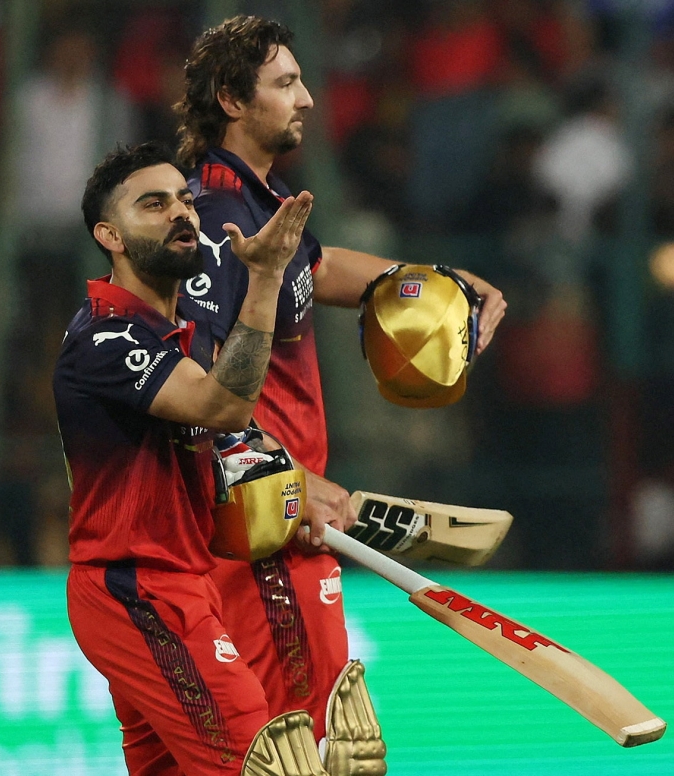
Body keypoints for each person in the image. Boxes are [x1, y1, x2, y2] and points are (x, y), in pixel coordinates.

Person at [174, 14, 508, 762]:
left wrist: (431, 278)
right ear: (232, 99)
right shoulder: (219, 223)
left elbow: (317, 269)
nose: (308, 99)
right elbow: (192, 388)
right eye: (286, 83)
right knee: (301, 751)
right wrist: (290, 479)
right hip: (262, 531)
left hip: (287, 525)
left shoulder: (260, 203)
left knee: (310, 751)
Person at [54, 142, 332, 775]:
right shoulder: (105, 336)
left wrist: (291, 492)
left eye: (183, 199)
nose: (181, 213)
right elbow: (223, 406)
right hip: (137, 587)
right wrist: (266, 277)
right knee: (262, 761)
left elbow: (228, 443)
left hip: (182, 581)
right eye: (153, 205)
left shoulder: (181, 334)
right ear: (109, 236)